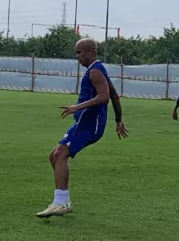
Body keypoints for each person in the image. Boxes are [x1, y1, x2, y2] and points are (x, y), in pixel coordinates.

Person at [36, 38, 128, 218]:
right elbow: (115, 96)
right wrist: (118, 119)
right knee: (54, 156)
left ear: (90, 52)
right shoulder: (97, 69)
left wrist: (77, 107)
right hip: (83, 123)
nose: (77, 57)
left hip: (90, 125)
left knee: (60, 155)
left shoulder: (94, 71)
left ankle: (59, 203)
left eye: (79, 52)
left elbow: (104, 97)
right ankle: (65, 202)